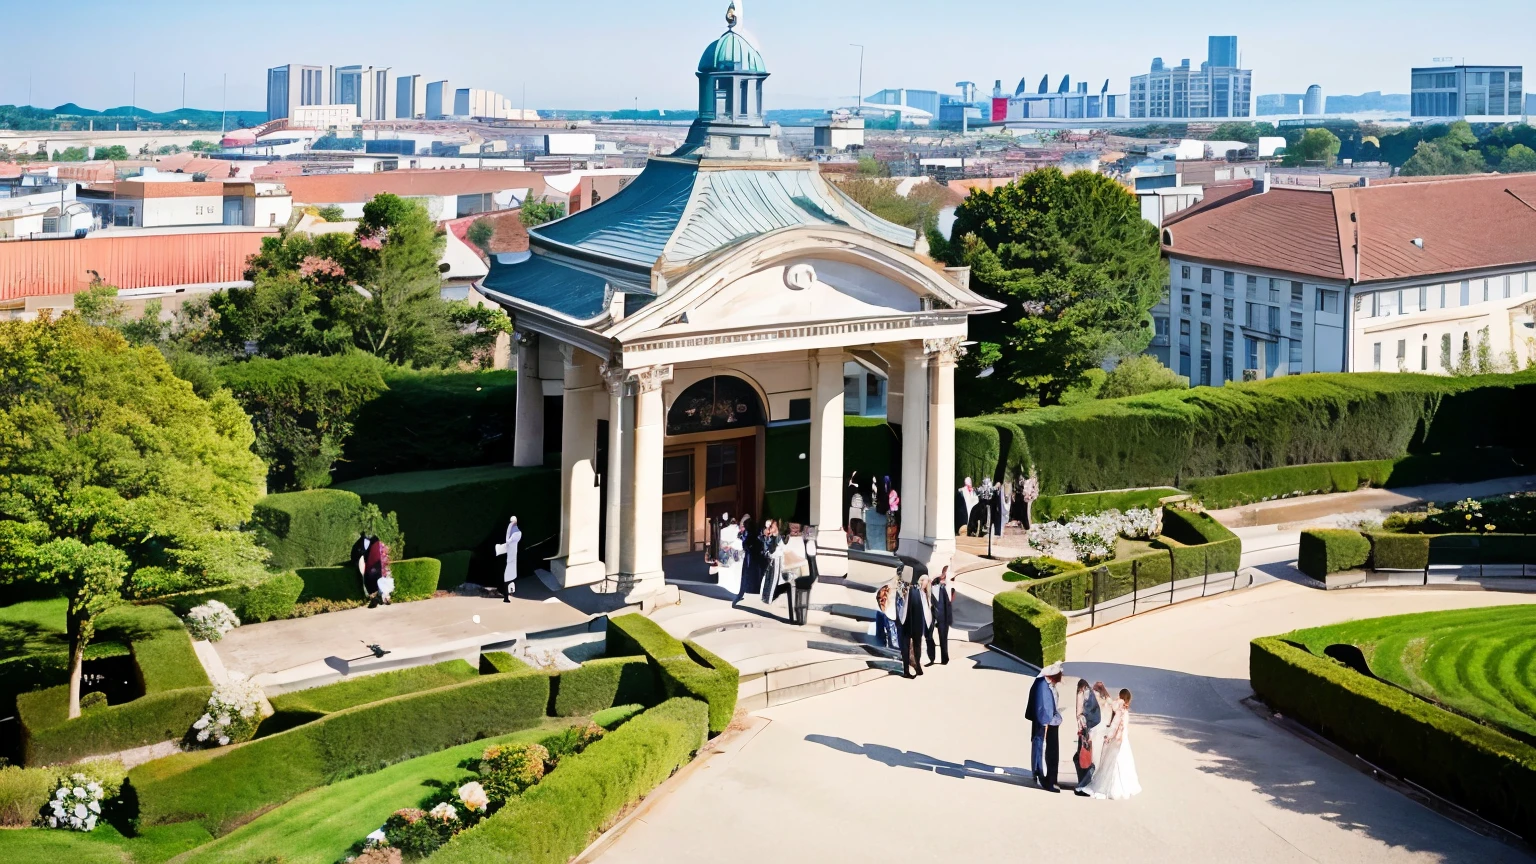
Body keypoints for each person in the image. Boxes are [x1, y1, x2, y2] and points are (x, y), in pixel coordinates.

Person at [1083, 689, 1141, 800]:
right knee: (1123, 763)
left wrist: (1109, 737)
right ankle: (1122, 786)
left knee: (1113, 762)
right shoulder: (1125, 710)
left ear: (1121, 696)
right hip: (1124, 740)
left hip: (1117, 739)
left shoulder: (1119, 710)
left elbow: (1115, 725)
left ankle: (1110, 787)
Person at [1025, 662, 1064, 792]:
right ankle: (1043, 778)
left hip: (1046, 721)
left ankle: (1039, 774)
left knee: (1040, 748)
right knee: (1043, 750)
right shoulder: (1043, 685)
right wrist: (1046, 723)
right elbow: (1044, 707)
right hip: (1046, 723)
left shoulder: (1042, 682)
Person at [896, 568, 930, 678]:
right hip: (906, 620)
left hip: (917, 620)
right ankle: (906, 670)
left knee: (917, 644)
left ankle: (917, 665)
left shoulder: (920, 591)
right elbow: (900, 598)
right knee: (906, 645)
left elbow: (925, 607)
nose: (926, 583)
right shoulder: (905, 586)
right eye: (925, 580)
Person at [1072, 679, 1103, 795]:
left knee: (1084, 759)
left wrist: (1084, 729)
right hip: (1088, 729)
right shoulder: (1089, 692)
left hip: (1086, 729)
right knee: (1079, 757)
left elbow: (1081, 713)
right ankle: (1082, 784)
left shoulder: (1083, 693)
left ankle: (1082, 785)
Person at [788, 526, 818, 626]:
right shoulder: (808, 543)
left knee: (801, 595)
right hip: (808, 573)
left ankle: (801, 618)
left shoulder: (808, 543)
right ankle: (801, 618)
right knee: (802, 595)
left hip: (806, 573)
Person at [928, 565, 955, 665]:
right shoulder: (930, 587)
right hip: (931, 616)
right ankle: (931, 658)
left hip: (943, 617)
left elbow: (950, 602)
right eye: (942, 576)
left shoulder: (946, 588)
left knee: (943, 638)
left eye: (944, 576)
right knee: (929, 637)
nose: (943, 578)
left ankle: (945, 658)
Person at [493, 516, 521, 603]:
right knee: (509, 578)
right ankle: (507, 595)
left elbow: (509, 541)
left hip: (510, 558)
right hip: (510, 559)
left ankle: (507, 595)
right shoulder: (516, 533)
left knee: (509, 577)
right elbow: (509, 541)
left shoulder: (515, 533)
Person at [759, 519, 785, 605]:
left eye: (772, 526)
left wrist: (772, 554)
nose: (770, 528)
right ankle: (765, 596)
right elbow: (763, 542)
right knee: (768, 577)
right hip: (770, 559)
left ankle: (769, 598)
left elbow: (779, 549)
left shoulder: (780, 537)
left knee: (773, 578)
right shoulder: (771, 537)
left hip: (776, 559)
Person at [717, 515, 743, 597]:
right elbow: (740, 543)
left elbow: (721, 545)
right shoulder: (739, 530)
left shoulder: (723, 531)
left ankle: (728, 588)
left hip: (727, 554)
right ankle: (737, 590)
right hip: (737, 555)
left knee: (727, 571)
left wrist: (726, 546)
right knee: (737, 572)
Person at [362, 534, 386, 607]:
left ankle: (375, 597)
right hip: (377, 566)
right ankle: (379, 597)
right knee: (378, 582)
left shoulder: (371, 545)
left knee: (372, 583)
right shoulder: (379, 545)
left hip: (372, 567)